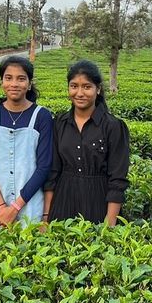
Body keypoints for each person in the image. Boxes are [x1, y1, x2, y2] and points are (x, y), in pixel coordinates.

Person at [45, 60, 129, 226]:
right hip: (63, 201)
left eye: (87, 87)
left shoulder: (113, 126)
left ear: (98, 89)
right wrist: (46, 217)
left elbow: (118, 179)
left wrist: (110, 224)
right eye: (74, 86)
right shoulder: (59, 124)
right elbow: (52, 173)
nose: (80, 93)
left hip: (99, 201)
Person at [0, 55, 53, 229]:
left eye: (21, 79)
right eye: (8, 78)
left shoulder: (42, 116)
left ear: (29, 83)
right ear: (1, 82)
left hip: (30, 203)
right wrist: (2, 206)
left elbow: (44, 167)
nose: (14, 84)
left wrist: (16, 206)